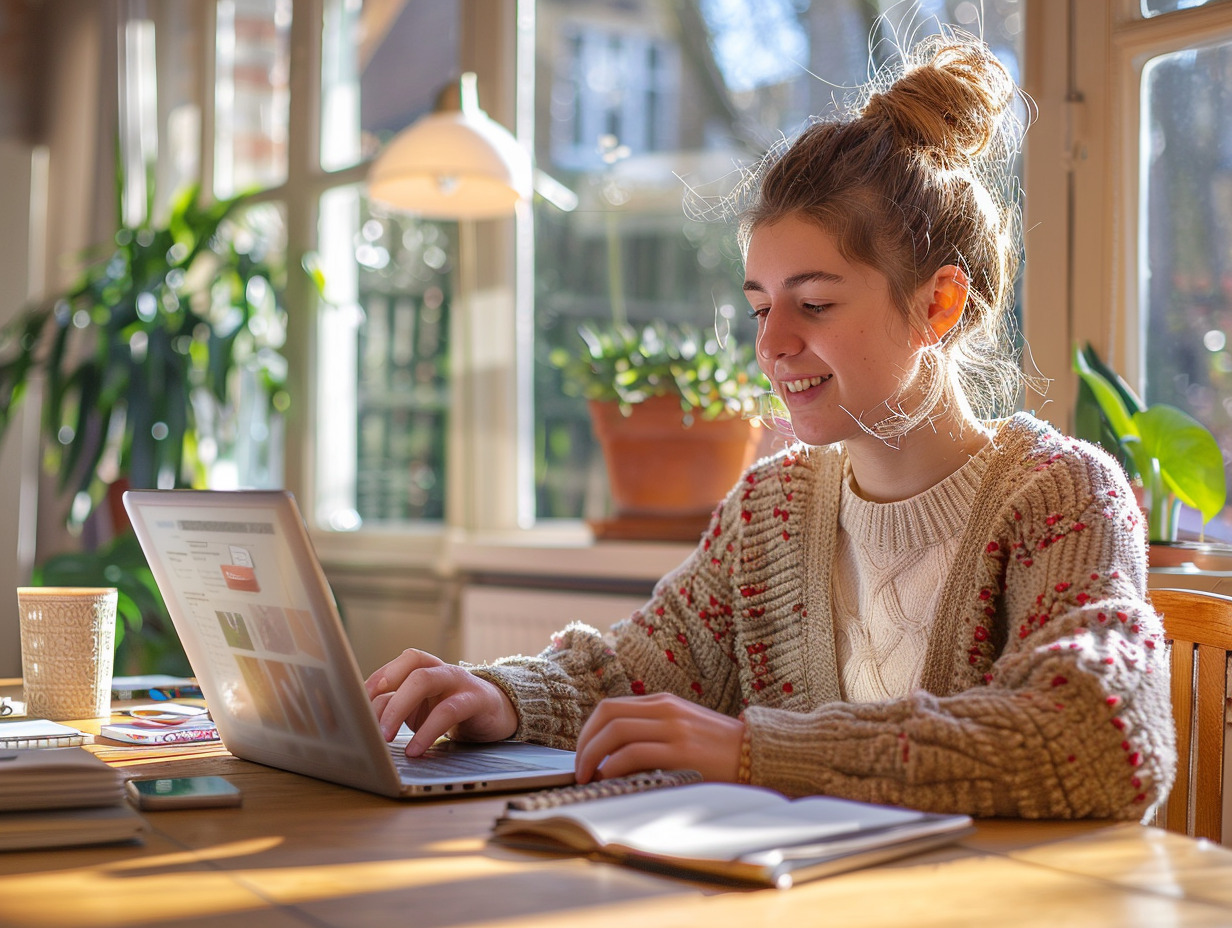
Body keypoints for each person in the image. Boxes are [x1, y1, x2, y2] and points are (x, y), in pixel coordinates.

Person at [366, 29, 1175, 820]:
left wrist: (756, 752)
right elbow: (639, 673)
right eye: (759, 307)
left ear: (939, 303)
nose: (774, 345)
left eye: (814, 304)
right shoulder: (773, 509)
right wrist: (498, 695)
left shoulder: (1061, 496)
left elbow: (1098, 737)